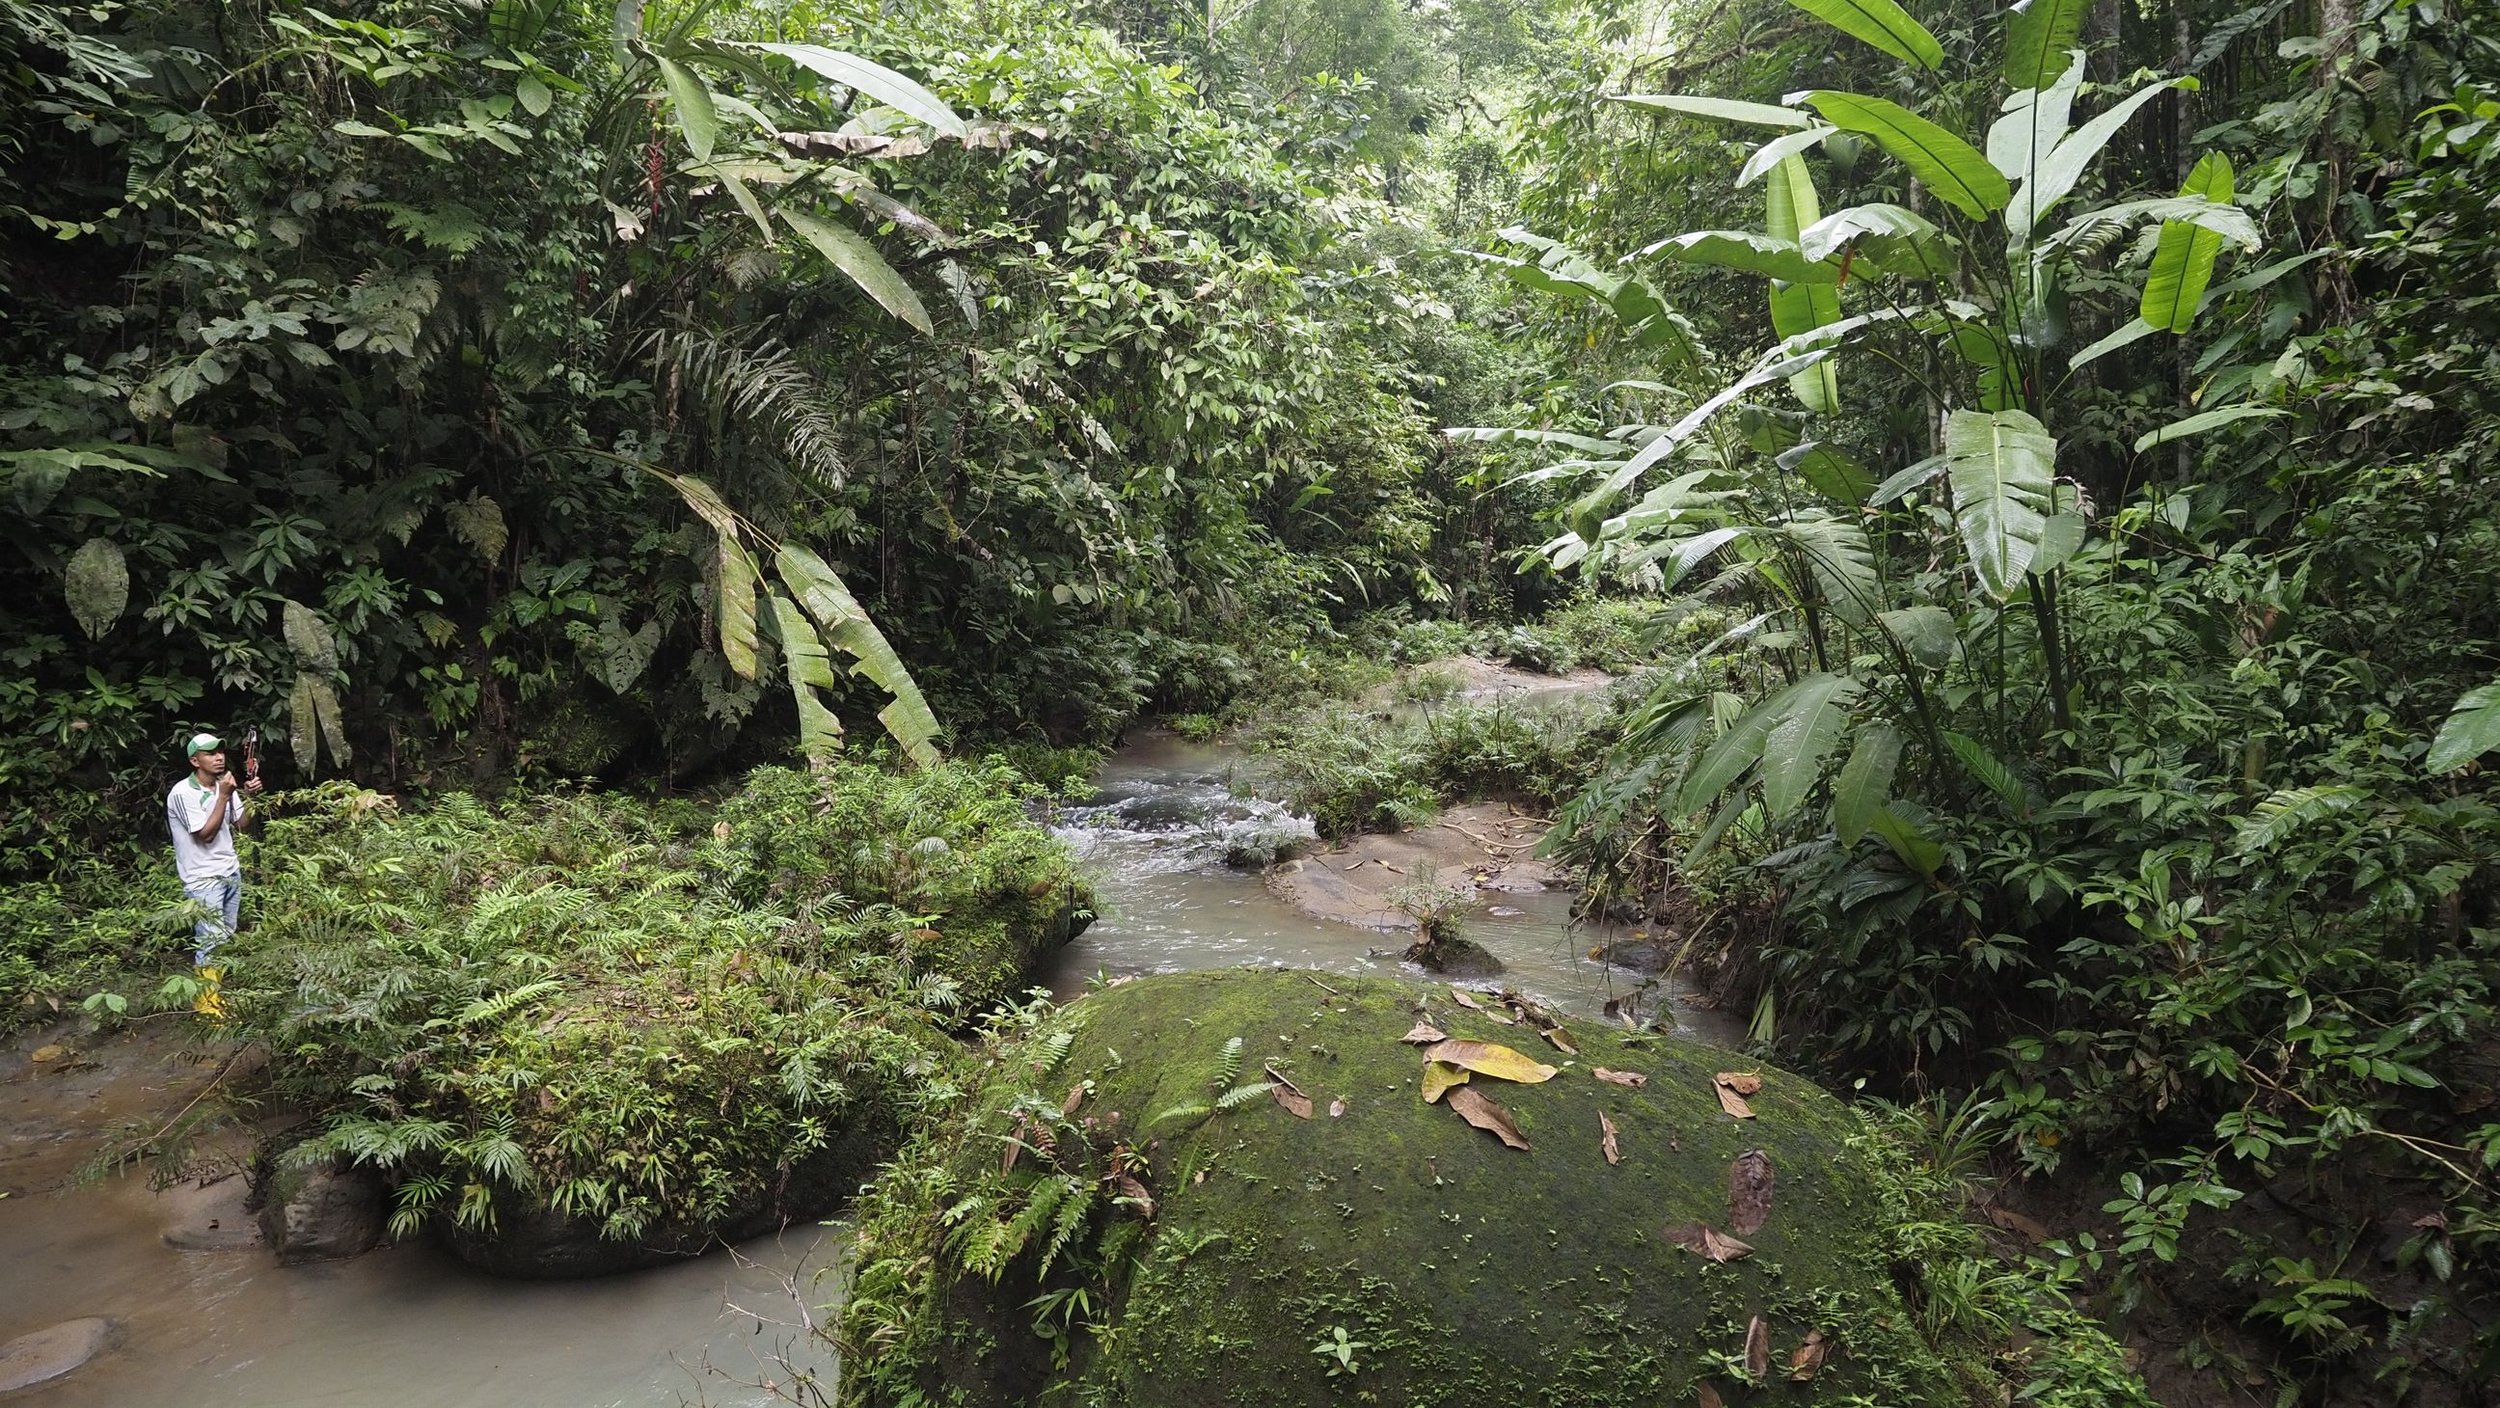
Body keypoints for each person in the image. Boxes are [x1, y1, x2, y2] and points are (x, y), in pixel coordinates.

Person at [168, 733, 261, 990]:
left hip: (230, 871)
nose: (219, 757)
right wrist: (223, 796)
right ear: (195, 761)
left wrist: (248, 796)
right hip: (202, 878)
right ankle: (208, 1006)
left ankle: (218, 992)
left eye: (220, 752)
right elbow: (206, 835)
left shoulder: (225, 784)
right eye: (210, 753)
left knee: (225, 935)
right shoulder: (183, 793)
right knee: (209, 941)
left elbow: (242, 825)